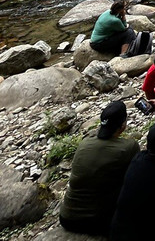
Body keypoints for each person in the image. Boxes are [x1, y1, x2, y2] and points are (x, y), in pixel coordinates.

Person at [59, 100, 139, 236]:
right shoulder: (128, 147)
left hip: (67, 218)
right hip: (98, 221)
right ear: (123, 125)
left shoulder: (84, 143)